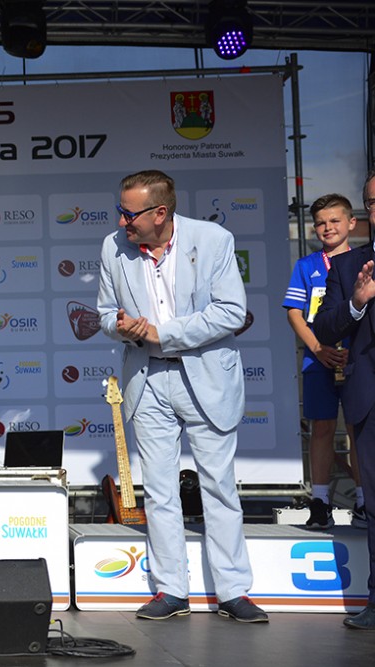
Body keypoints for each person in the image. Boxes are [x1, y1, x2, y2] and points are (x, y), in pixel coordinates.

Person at [96, 169, 267, 623]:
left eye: (129, 214)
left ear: (160, 213)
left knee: (218, 486)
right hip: (146, 377)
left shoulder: (213, 240)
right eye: (119, 212)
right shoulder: (113, 247)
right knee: (159, 490)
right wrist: (123, 327)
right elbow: (104, 313)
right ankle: (171, 589)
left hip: (206, 375)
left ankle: (233, 590)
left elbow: (231, 312)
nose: (121, 222)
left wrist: (162, 333)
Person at [313, 170, 375, 630]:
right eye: (372, 202)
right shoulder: (350, 265)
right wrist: (356, 302)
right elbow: (324, 326)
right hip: (369, 400)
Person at [283, 194, 364, 529]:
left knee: (359, 430)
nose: (327, 228)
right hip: (319, 360)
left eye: (335, 221)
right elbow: (294, 312)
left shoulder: (365, 261)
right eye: (320, 223)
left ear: (351, 223)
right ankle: (320, 502)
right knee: (322, 428)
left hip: (358, 359)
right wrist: (317, 348)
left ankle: (364, 500)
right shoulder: (307, 266)